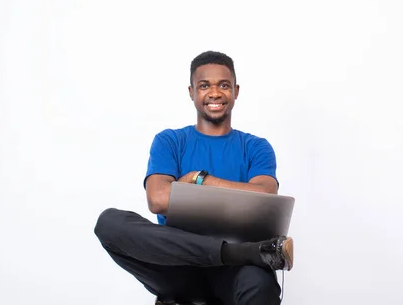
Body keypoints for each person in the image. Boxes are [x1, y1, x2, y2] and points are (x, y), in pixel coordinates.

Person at [94, 51, 294, 305]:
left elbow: (265, 196)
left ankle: (240, 254)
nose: (215, 93)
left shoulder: (255, 147)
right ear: (191, 92)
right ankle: (237, 252)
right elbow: (157, 199)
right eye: (204, 86)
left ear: (236, 91)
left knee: (261, 285)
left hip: (238, 271)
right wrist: (237, 198)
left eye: (224, 85)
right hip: (180, 266)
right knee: (109, 222)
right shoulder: (170, 141)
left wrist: (201, 180)